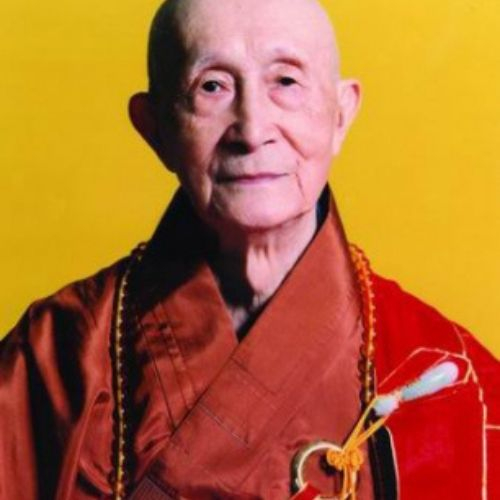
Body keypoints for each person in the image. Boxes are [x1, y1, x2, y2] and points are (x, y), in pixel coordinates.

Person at [0, 0, 498, 499]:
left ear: (341, 115)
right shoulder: (56, 356)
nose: (253, 130)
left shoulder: (449, 377)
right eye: (212, 86)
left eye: (286, 82)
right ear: (155, 128)